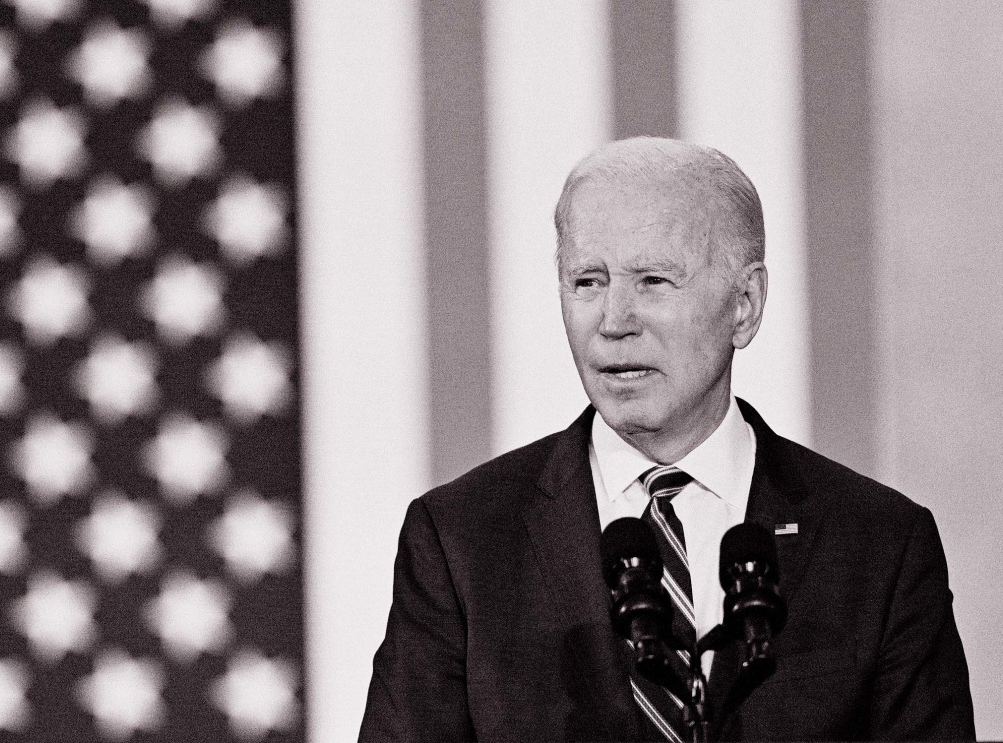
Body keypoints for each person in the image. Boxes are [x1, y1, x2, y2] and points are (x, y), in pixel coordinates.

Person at [359, 137, 974, 741]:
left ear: (746, 305)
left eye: (653, 280)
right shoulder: (461, 541)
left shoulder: (879, 547)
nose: (614, 322)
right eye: (587, 282)